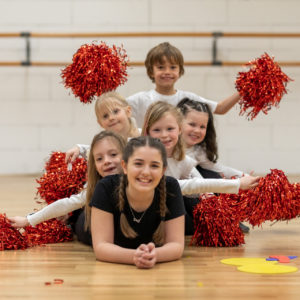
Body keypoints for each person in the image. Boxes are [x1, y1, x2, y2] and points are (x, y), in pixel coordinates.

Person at [142, 101, 260, 234]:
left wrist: (209, 195)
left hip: (173, 199)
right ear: (148, 132)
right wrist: (237, 183)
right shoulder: (144, 154)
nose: (164, 135)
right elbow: (180, 186)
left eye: (170, 129)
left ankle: (227, 221)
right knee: (187, 219)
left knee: (199, 205)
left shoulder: (184, 158)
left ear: (179, 129)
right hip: (148, 208)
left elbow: (198, 175)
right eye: (157, 130)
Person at [9, 131, 126, 245]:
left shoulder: (135, 178)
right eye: (99, 159)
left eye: (113, 155)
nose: (106, 161)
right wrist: (28, 220)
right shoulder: (98, 186)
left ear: (126, 155)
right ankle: (71, 218)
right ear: (94, 165)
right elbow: (66, 203)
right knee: (83, 227)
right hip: (95, 223)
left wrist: (80, 148)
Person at [90, 136, 185, 268]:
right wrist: (135, 257)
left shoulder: (171, 187)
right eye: (138, 164)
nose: (146, 172)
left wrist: (154, 255)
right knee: (83, 226)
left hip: (145, 247)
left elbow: (177, 245)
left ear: (163, 170)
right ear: (124, 166)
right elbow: (101, 248)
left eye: (154, 165)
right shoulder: (105, 187)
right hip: (91, 228)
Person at [177, 97, 253, 233]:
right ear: (178, 122)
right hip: (178, 191)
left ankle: (227, 219)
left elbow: (219, 168)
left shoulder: (198, 150)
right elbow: (193, 174)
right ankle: (215, 220)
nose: (197, 130)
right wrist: (209, 197)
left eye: (202, 127)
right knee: (191, 226)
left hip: (192, 187)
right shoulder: (170, 146)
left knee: (214, 175)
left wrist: (246, 177)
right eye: (192, 124)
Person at [126, 42, 241, 127]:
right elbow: (112, 110)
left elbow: (220, 108)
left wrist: (244, 90)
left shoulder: (188, 99)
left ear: (180, 71)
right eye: (161, 67)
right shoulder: (140, 99)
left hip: (179, 156)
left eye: (173, 67)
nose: (167, 72)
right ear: (151, 71)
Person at [66, 91, 140, 163]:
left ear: (128, 111)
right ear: (100, 123)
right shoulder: (105, 144)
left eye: (115, 111)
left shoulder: (144, 136)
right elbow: (95, 151)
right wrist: (79, 149)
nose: (111, 118)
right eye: (105, 116)